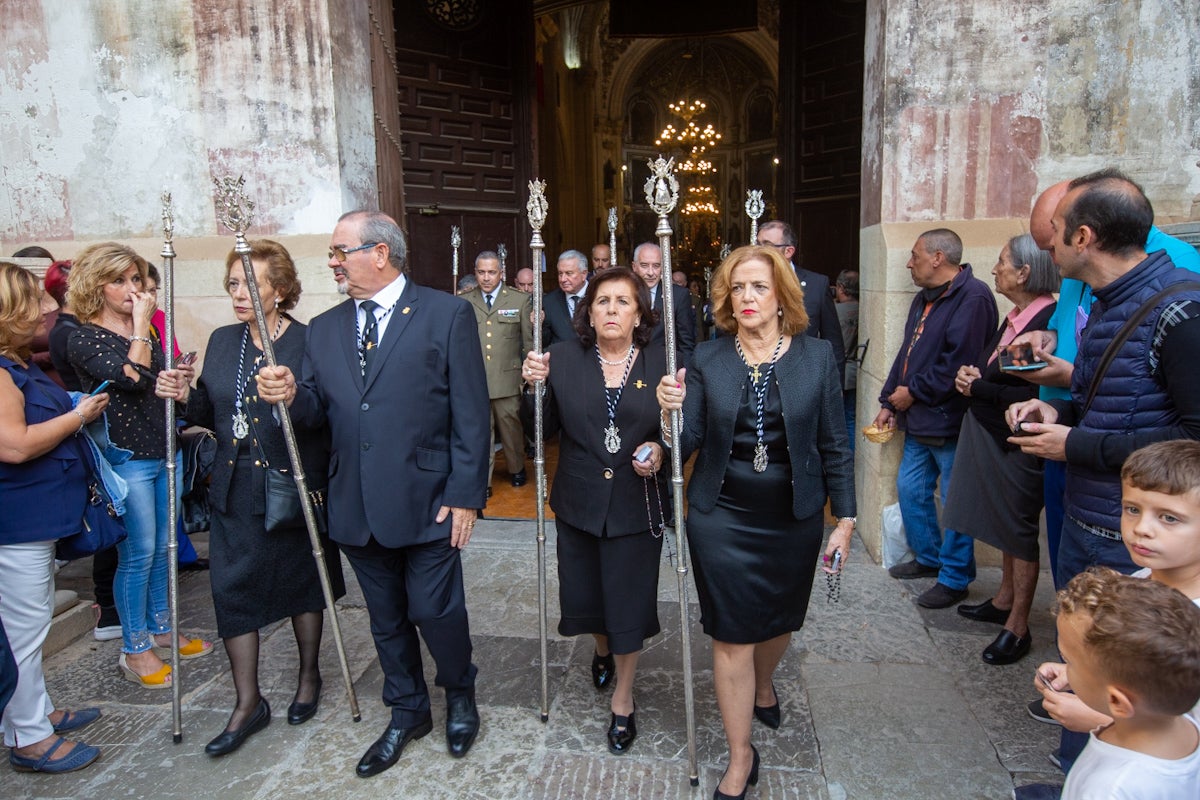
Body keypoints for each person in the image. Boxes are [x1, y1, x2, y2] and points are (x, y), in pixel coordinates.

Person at [256, 210, 489, 777]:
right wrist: (289, 393)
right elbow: (319, 412)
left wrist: (466, 494)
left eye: (340, 251)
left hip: (430, 497)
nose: (333, 262)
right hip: (355, 504)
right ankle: (408, 710)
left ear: (378, 253)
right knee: (384, 618)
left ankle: (459, 693)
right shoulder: (328, 327)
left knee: (436, 610)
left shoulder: (446, 313)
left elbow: (471, 413)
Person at [1007, 170, 1200, 776]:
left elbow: (1193, 438)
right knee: (1087, 666)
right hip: (1092, 516)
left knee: (1128, 682)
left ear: (1084, 236)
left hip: (1141, 537)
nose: (1049, 249)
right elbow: (1114, 396)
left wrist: (1079, 445)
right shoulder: (1103, 302)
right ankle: (1075, 778)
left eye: (1056, 235)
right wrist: (1055, 400)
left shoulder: (1182, 309)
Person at [656, 245, 855, 800]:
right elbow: (689, 440)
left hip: (793, 516)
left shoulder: (816, 358)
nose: (746, 298)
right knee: (731, 634)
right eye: (736, 288)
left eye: (759, 288)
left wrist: (844, 520)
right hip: (721, 517)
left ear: (782, 297)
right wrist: (669, 416)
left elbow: (834, 445)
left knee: (782, 621)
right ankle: (741, 755)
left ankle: (765, 683)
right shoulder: (709, 360)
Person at [155, 240, 346, 756]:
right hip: (234, 489)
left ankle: (309, 677)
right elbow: (209, 408)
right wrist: (182, 395)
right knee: (232, 590)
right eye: (233, 284)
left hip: (291, 486)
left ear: (280, 290)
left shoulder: (311, 341)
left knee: (304, 583)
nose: (238, 294)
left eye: (249, 284)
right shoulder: (222, 341)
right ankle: (248, 703)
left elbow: (328, 414)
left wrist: (293, 396)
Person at [521, 267, 669, 755]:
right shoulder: (562, 358)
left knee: (627, 605)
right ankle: (601, 648)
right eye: (602, 301)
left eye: (623, 302)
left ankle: (623, 700)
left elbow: (680, 432)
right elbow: (539, 431)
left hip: (635, 503)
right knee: (590, 599)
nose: (611, 310)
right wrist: (533, 389)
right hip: (580, 504)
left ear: (640, 313)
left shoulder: (661, 363)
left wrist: (662, 448)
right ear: (589, 311)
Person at [66, 243, 213, 689]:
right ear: (96, 286)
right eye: (120, 281)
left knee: (168, 546)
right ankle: (134, 648)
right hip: (126, 458)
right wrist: (139, 327)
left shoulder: (144, 331)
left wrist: (179, 380)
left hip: (162, 447)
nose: (133, 289)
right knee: (138, 553)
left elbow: (154, 383)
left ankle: (163, 627)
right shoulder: (84, 336)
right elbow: (131, 377)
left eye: (136, 280)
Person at [0, 261, 109, 773]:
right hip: (17, 521)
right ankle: (28, 736)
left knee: (34, 619)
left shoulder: (15, 364)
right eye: (36, 300)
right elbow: (16, 447)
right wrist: (78, 417)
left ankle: (35, 711)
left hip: (37, 519)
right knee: (22, 628)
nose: (48, 307)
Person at [942, 235, 1059, 665]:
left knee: (1018, 526)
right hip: (993, 431)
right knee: (1003, 523)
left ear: (1025, 272)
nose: (995, 269)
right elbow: (1002, 368)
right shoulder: (1015, 316)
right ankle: (1005, 598)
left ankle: (1019, 626)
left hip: (1019, 438)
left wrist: (977, 385)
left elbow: (1025, 384)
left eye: (1002, 261)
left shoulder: (1046, 316)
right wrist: (976, 374)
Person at [872, 228, 998, 609]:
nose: (909, 263)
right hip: (919, 419)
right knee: (911, 490)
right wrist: (889, 401)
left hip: (950, 420)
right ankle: (928, 558)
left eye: (915, 255)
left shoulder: (973, 298)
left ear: (938, 258)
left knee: (955, 500)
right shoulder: (923, 299)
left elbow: (959, 364)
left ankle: (956, 577)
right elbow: (906, 355)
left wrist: (912, 393)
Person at [1048, 570, 1200, 799]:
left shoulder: (1109, 789)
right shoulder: (1185, 723)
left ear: (1117, 701)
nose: (1066, 668)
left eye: (1069, 661)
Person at [464, 251, 532, 494]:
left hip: (507, 378)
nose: (486, 278)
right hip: (476, 380)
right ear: (475, 273)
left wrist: (530, 375)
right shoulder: (465, 300)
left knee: (511, 429)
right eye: (481, 272)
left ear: (501, 274)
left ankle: (516, 468)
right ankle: (485, 481)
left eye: (491, 272)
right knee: (481, 433)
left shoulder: (518, 300)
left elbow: (528, 341)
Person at [756, 221, 845, 381]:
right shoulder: (746, 283)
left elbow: (833, 342)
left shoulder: (817, 284)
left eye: (767, 245)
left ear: (788, 251)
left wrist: (835, 388)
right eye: (758, 244)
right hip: (756, 378)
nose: (758, 251)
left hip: (803, 380)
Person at [631, 242, 695, 366]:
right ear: (634, 267)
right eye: (644, 265)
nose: (650, 272)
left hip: (663, 371)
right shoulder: (623, 293)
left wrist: (683, 379)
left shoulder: (677, 295)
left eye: (656, 266)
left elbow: (686, 344)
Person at [833, 269, 859, 452]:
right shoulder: (865, 309)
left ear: (841, 288)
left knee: (838, 422)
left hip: (839, 373)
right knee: (851, 419)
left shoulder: (835, 311)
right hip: (856, 373)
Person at [543, 250, 590, 346]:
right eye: (560, 274)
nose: (563, 279)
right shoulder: (549, 302)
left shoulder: (598, 295)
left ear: (584, 274)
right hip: (563, 358)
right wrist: (538, 325)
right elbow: (544, 342)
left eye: (569, 273)